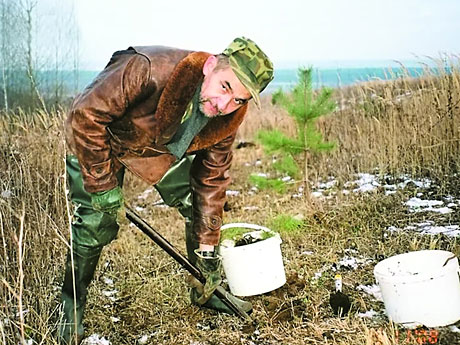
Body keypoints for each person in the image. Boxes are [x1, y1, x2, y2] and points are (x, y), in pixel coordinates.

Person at [59, 37, 274, 344]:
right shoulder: (145, 68)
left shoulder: (226, 117)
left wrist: (208, 251)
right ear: (211, 66)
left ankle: (204, 288)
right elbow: (85, 116)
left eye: (239, 100)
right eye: (225, 87)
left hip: (155, 147)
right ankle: (70, 307)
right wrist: (104, 187)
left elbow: (211, 181)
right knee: (94, 225)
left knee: (195, 204)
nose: (224, 105)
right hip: (98, 141)